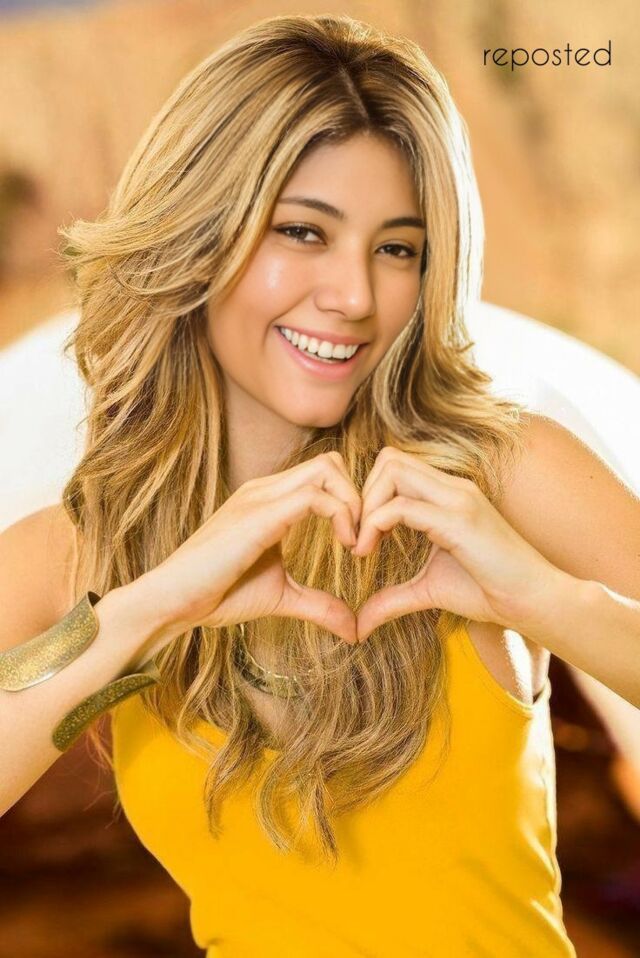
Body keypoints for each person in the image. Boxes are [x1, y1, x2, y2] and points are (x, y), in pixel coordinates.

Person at [1, 13, 638, 957]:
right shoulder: (72, 554)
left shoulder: (496, 474)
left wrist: (542, 601)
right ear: (198, 235)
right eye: (303, 231)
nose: (354, 296)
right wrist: (150, 611)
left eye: (398, 248)